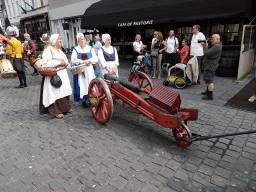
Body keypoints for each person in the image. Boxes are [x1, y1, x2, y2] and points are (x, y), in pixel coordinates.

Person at [39, 34, 72, 118]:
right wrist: (59, 62)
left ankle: (65, 108)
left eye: (61, 39)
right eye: (58, 40)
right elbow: (46, 62)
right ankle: (56, 111)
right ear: (54, 40)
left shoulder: (60, 51)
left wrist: (69, 65)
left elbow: (66, 61)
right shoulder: (48, 50)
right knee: (55, 92)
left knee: (64, 91)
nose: (60, 41)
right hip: (54, 75)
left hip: (63, 73)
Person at [71, 33, 98, 107]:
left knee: (90, 83)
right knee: (82, 84)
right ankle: (83, 101)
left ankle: (91, 98)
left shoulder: (90, 48)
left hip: (89, 70)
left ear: (85, 40)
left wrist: (89, 60)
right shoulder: (76, 49)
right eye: (80, 40)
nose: (82, 41)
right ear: (78, 41)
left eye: (83, 39)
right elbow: (73, 60)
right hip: (81, 71)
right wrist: (82, 61)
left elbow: (96, 59)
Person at [201, 34, 223, 100]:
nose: (211, 40)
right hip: (208, 66)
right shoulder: (216, 45)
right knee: (207, 79)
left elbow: (207, 53)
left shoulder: (217, 46)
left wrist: (206, 46)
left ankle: (210, 96)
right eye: (211, 39)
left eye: (212, 39)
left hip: (210, 67)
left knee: (210, 81)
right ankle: (208, 91)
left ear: (217, 39)